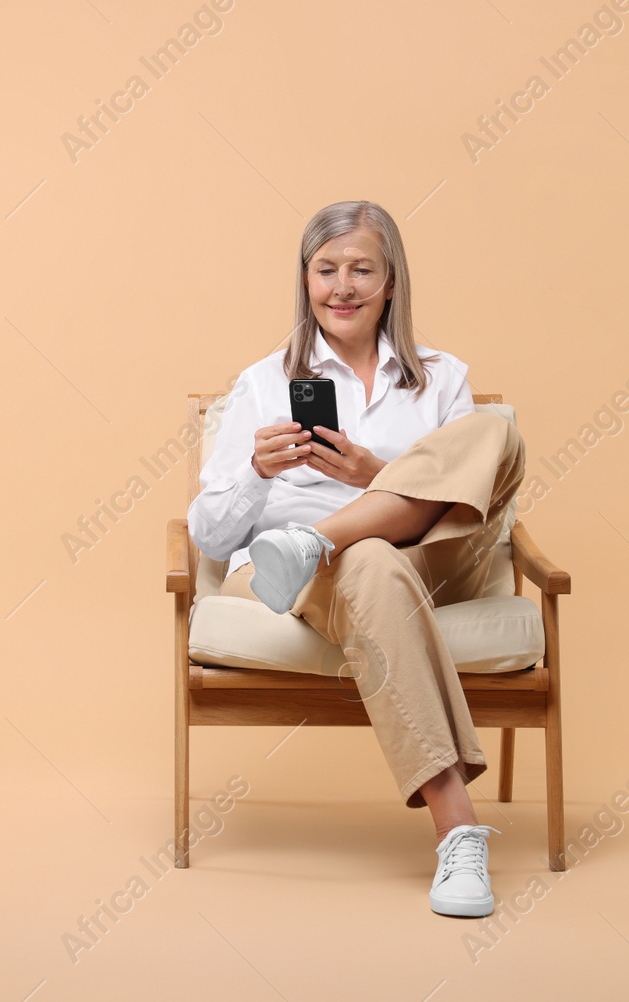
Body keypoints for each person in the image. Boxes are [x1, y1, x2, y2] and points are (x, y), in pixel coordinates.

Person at [185, 199, 526, 918]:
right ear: (305, 280)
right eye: (326, 269)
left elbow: (469, 491)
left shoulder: (442, 376)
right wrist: (256, 470)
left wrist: (376, 472)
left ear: (391, 281)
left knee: (496, 434)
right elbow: (212, 538)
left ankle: (325, 532)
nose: (343, 286)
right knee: (369, 560)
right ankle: (459, 832)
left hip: (435, 557)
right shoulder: (263, 382)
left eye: (362, 269)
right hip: (319, 577)